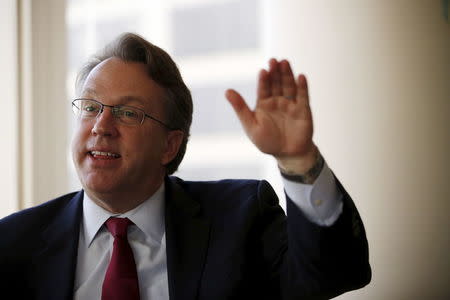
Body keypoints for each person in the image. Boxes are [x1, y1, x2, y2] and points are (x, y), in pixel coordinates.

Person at [0, 33, 371, 300]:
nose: (101, 127)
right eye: (92, 107)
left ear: (169, 144)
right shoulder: (13, 243)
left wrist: (297, 160)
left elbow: (334, 275)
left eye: (128, 113)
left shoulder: (241, 217)